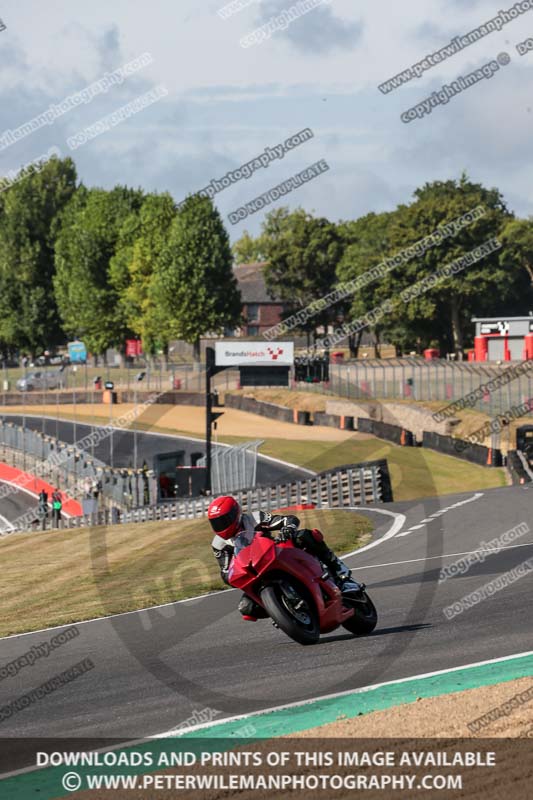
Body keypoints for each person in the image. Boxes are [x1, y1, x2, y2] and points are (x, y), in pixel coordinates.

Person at [208, 496, 359, 621]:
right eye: (216, 523)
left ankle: (341, 573)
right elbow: (225, 572)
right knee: (246, 607)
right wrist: (233, 575)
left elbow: (288, 520)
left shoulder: (254, 518)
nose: (221, 525)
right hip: (254, 572)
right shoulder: (218, 544)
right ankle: (282, 612)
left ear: (236, 513)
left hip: (275, 553)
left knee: (305, 536)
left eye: (224, 520)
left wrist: (287, 528)